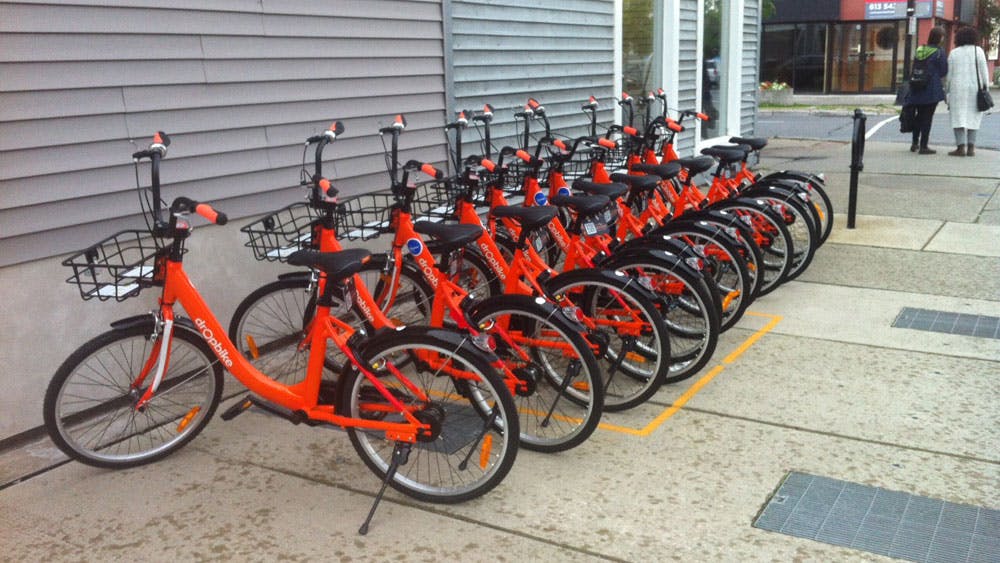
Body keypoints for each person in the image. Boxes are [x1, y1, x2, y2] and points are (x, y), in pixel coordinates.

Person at [946, 26, 990, 157]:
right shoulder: (979, 51)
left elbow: (949, 75)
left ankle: (960, 147)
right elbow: (984, 73)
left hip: (957, 89)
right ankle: (971, 147)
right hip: (975, 89)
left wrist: (947, 91)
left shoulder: (954, 53)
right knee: (973, 117)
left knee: (958, 118)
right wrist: (985, 87)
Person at [903, 27, 947, 155]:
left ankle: (914, 142)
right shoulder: (939, 52)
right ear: (940, 38)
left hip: (916, 86)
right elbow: (944, 70)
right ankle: (924, 146)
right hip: (931, 89)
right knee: (927, 117)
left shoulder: (920, 49)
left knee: (918, 115)